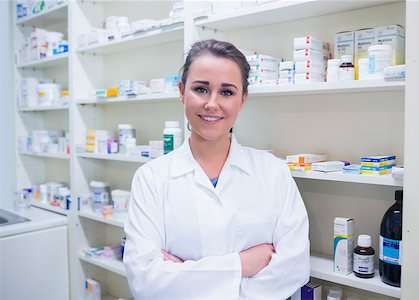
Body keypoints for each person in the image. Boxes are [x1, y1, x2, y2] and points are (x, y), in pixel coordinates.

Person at [123, 39, 310, 300]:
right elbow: (145, 281)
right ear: (181, 91)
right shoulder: (151, 178)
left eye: (227, 92)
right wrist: (241, 265)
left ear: (243, 99)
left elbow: (293, 269)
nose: (212, 103)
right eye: (200, 89)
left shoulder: (273, 172)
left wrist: (183, 273)